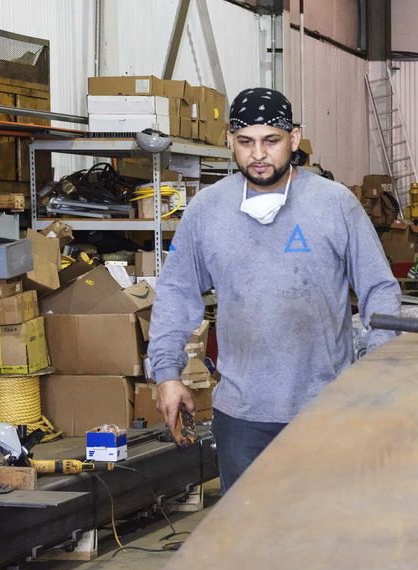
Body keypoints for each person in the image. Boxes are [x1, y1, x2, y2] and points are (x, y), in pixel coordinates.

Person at [148, 87, 401, 494]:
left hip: (326, 408)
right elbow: (177, 294)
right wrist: (166, 374)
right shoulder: (207, 210)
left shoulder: (334, 204)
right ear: (230, 140)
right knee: (248, 542)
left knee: (323, 536)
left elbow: (379, 288)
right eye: (246, 142)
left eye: (271, 141)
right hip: (242, 416)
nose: (259, 154)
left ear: (294, 140)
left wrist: (376, 364)